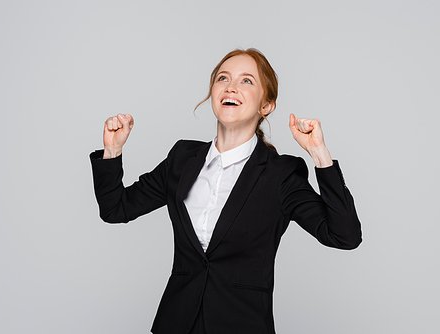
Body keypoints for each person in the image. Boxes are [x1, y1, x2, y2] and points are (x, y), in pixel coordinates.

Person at [90, 48, 362, 334]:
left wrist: (320, 154)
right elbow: (115, 209)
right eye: (223, 78)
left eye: (247, 81)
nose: (231, 86)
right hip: (176, 323)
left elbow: (345, 235)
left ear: (266, 105)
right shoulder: (182, 159)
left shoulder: (281, 175)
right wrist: (113, 150)